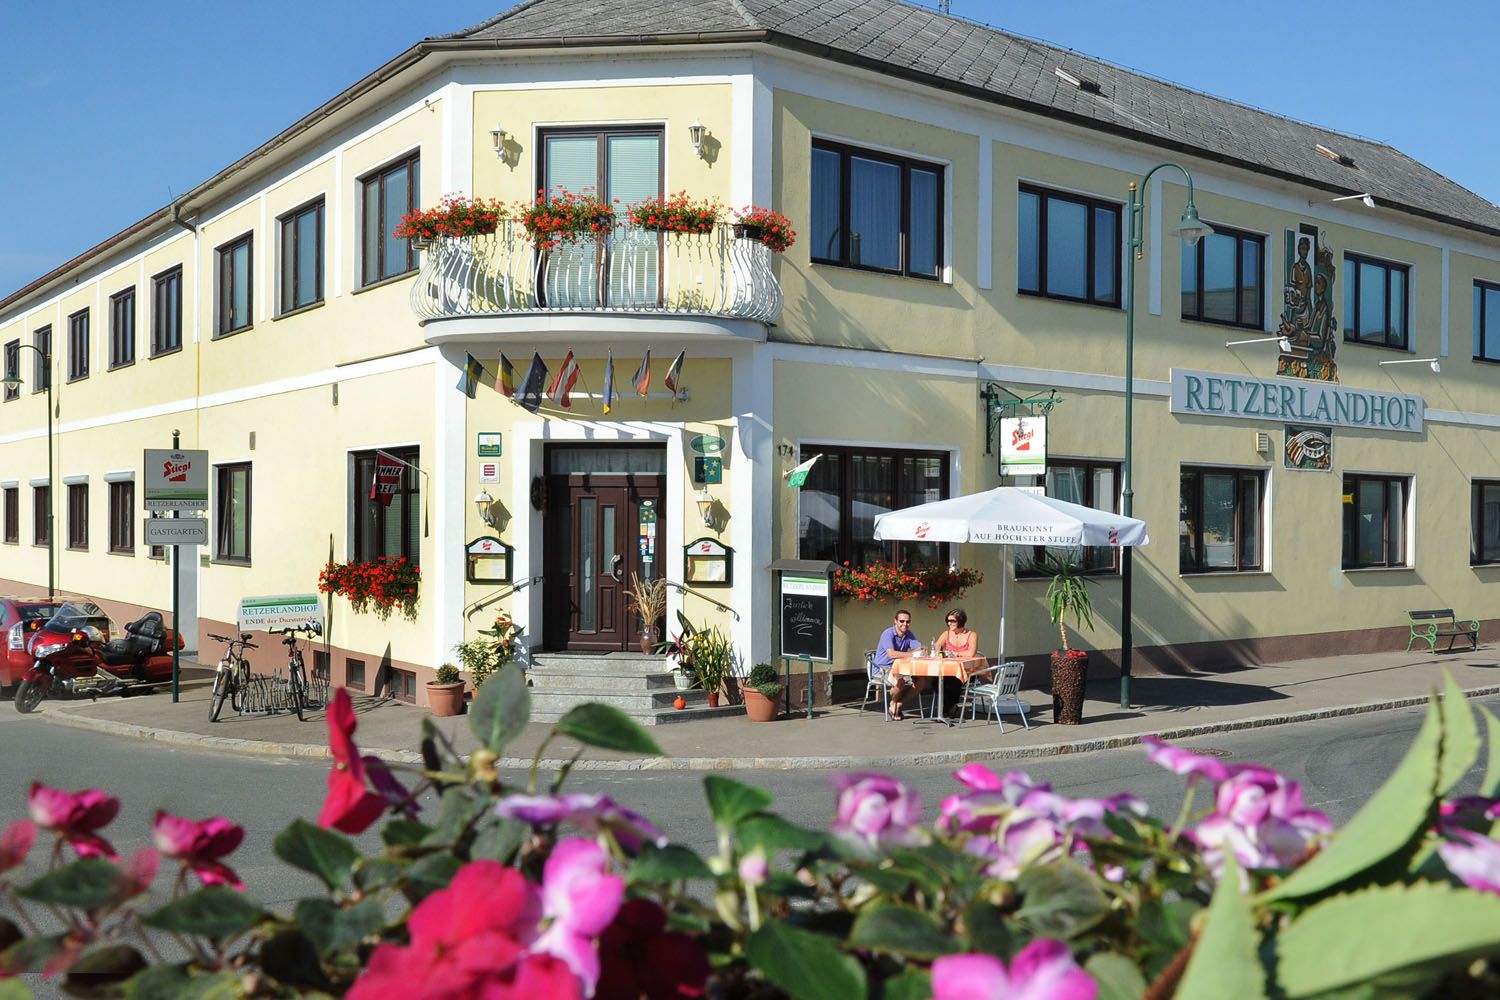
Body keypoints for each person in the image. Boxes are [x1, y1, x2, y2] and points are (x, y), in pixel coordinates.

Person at [875, 609, 922, 721]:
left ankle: (897, 704)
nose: (905, 624)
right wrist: (911, 654)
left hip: (902, 668)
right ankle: (894, 704)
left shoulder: (908, 634)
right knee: (900, 681)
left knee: (922, 680)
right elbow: (891, 654)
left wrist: (922, 649)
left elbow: (920, 648)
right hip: (883, 668)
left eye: (907, 621)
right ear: (895, 621)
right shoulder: (888, 633)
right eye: (901, 621)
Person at [931, 608, 978, 718]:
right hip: (947, 669)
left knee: (954, 681)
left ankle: (948, 707)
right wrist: (938, 650)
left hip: (966, 671)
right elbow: (937, 646)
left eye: (952, 621)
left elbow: (971, 653)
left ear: (960, 621)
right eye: (948, 621)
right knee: (935, 682)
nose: (949, 623)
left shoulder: (971, 635)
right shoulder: (946, 634)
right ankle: (950, 706)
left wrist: (954, 654)